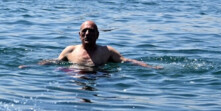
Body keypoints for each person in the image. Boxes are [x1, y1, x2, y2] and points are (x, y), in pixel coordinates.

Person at [23, 21, 162, 69]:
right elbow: (54, 62)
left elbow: (126, 61)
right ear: (79, 35)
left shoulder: (107, 51)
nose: (87, 33)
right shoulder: (70, 50)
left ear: (97, 35)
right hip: (75, 77)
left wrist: (150, 66)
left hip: (99, 77)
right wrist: (31, 66)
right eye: (85, 31)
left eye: (91, 31)